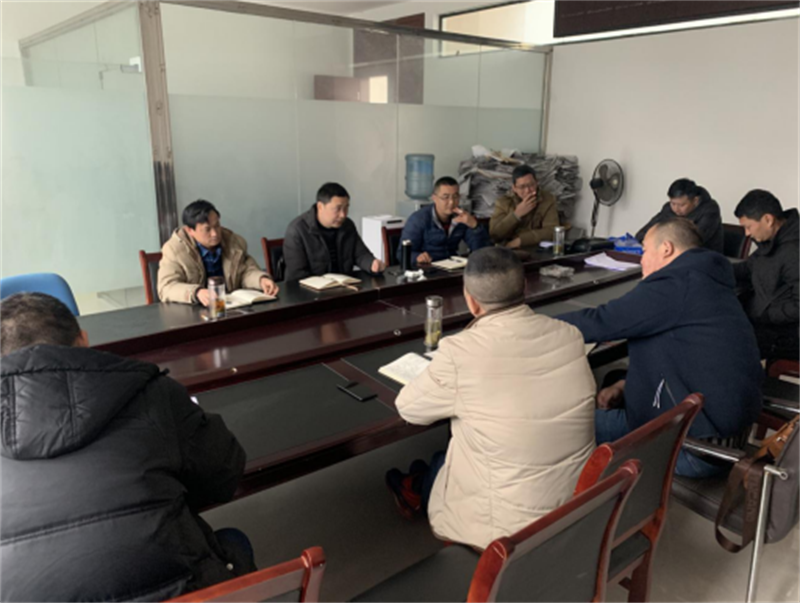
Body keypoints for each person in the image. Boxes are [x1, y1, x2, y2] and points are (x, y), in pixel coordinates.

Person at [0, 293, 254, 602]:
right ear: (83, 340)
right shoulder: (151, 391)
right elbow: (225, 473)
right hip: (181, 590)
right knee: (232, 542)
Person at [385, 247, 596, 550]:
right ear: (525, 287)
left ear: (470, 300)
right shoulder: (570, 334)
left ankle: (414, 489)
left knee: (444, 461)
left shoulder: (460, 351)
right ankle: (420, 478)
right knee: (447, 455)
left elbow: (409, 409)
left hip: (505, 530)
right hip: (571, 504)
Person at [559, 219, 762, 477]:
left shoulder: (677, 283)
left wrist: (530, 324)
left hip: (694, 447)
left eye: (644, 250)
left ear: (666, 248)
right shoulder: (708, 279)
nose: (642, 259)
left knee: (565, 426)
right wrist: (625, 385)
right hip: (726, 437)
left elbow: (601, 321)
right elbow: (685, 356)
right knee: (612, 384)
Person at [158, 199, 279, 305]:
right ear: (190, 230)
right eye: (207, 229)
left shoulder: (233, 242)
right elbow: (166, 287)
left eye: (217, 226)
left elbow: (246, 272)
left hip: (231, 307)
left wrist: (261, 280)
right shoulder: (174, 249)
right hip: (194, 312)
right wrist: (197, 292)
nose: (215, 233)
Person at [734, 189, 800, 360]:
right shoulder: (772, 241)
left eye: (748, 227)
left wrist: (766, 314)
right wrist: (715, 267)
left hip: (785, 334)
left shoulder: (794, 251)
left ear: (768, 220)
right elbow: (748, 268)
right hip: (763, 321)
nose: (747, 234)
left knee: (725, 345)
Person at [283, 182, 385, 281]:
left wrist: (371, 264)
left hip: (343, 287)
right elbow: (298, 275)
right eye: (338, 209)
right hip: (309, 290)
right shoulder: (297, 231)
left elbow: (360, 254)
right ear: (320, 207)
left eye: (346, 208)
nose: (343, 215)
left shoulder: (347, 225)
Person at [398, 176, 490, 267]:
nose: (451, 202)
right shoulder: (419, 219)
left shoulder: (462, 216)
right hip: (428, 269)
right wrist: (417, 257)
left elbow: (482, 252)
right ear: (434, 198)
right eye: (445, 197)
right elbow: (401, 253)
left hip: (453, 267)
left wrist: (474, 226)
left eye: (455, 197)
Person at [636, 178, 723, 252]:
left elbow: (694, 241)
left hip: (705, 256)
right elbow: (648, 230)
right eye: (673, 203)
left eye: (682, 205)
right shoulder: (668, 209)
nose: (676, 209)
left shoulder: (710, 210)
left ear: (695, 200)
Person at [489, 165, 559, 248]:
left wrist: (521, 240)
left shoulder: (547, 199)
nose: (527, 190)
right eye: (522, 187)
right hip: (509, 250)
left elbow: (552, 231)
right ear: (514, 188)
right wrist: (516, 215)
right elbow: (495, 235)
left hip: (537, 249)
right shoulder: (503, 203)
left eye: (531, 185)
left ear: (536, 183)